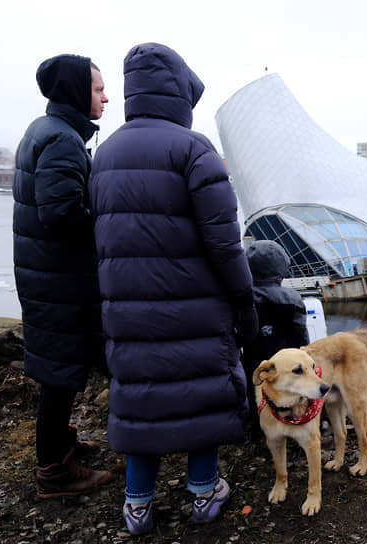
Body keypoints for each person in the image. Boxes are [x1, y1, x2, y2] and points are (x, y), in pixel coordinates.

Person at [88, 43, 258, 536]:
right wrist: (244, 303)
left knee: (141, 399)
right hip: (195, 309)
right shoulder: (193, 149)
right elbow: (225, 244)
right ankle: (204, 494)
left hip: (127, 311)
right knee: (199, 396)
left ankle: (137, 506)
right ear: (179, 91)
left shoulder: (106, 153)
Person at [12, 53, 112, 498]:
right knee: (60, 374)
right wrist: (105, 221)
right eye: (96, 89)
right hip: (59, 281)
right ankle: (53, 470)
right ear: (75, 91)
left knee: (59, 369)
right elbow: (61, 213)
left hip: (46, 276)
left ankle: (61, 446)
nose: (105, 97)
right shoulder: (62, 140)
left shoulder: (46, 129)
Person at [241, 240, 310, 420]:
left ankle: (256, 424)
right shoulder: (293, 299)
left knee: (255, 392)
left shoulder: (244, 299)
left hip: (254, 363)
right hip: (288, 367)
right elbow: (301, 337)